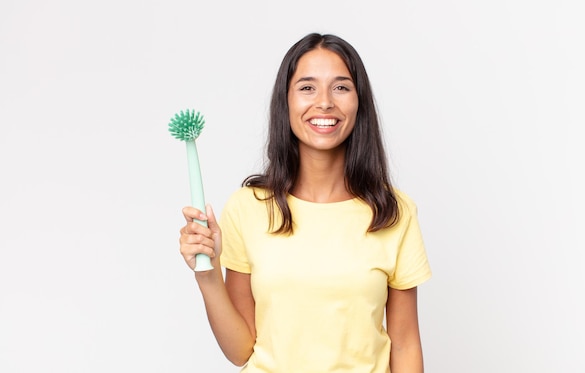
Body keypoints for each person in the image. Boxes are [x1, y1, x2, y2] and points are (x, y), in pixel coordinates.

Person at [178, 32, 432, 373]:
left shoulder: (393, 212)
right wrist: (207, 275)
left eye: (341, 87)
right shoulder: (247, 208)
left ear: (360, 102)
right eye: (307, 87)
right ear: (286, 101)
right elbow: (240, 351)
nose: (324, 102)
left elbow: (405, 343)